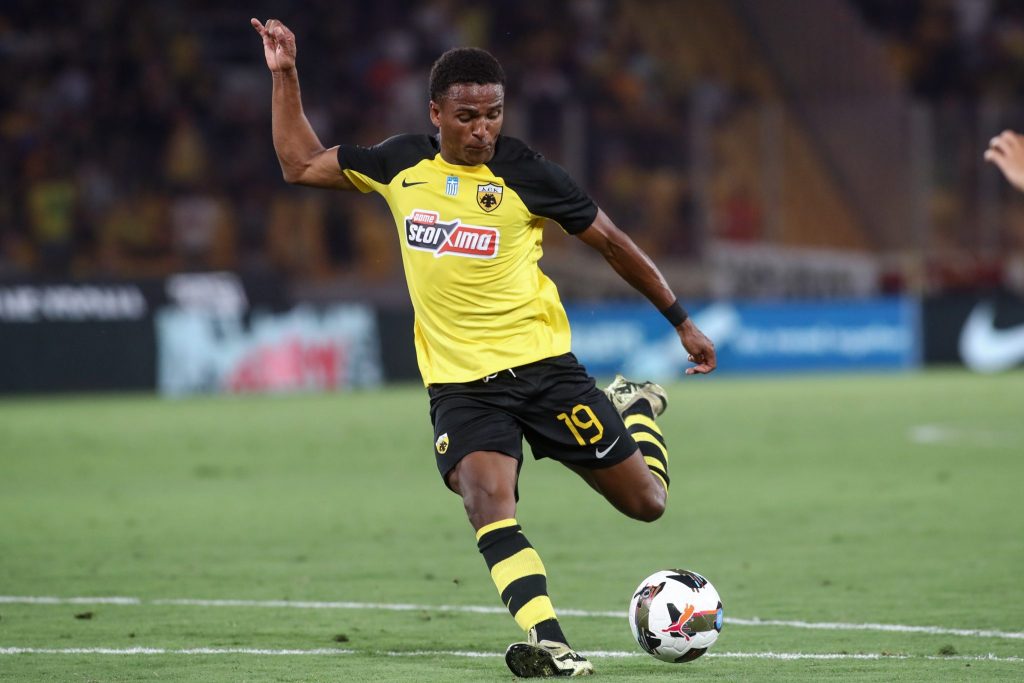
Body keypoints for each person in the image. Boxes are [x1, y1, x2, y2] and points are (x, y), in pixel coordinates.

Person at [252, 18, 716, 678]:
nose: (482, 130)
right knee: (487, 502)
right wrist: (285, 75)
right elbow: (298, 163)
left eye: (493, 114)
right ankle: (551, 642)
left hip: (545, 371)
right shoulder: (399, 163)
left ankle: (634, 405)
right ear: (435, 114)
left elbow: (613, 244)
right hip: (463, 387)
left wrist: (681, 321)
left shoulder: (528, 173)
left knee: (647, 505)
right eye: (467, 116)